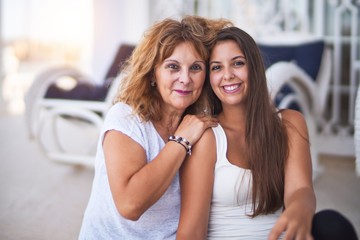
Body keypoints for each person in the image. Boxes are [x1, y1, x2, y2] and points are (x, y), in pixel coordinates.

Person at [176, 26, 359, 240]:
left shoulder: (290, 123)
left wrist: (300, 208)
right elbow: (191, 232)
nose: (228, 75)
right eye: (217, 67)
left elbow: (300, 189)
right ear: (209, 78)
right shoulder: (208, 136)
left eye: (238, 63)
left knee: (331, 224)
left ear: (254, 67)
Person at [78, 16, 231, 239]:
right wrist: (180, 141)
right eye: (173, 67)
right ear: (152, 73)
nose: (185, 78)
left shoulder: (200, 123)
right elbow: (130, 205)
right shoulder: (127, 117)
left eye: (196, 68)